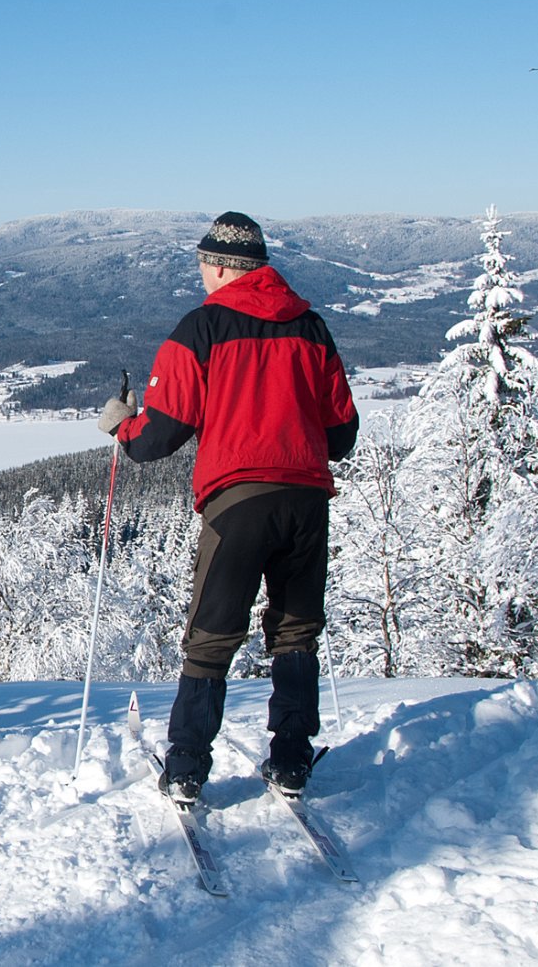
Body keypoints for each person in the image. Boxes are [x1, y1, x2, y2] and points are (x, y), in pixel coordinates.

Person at [98, 211, 358, 802]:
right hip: (306, 500)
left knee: (212, 635)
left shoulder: (202, 328)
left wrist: (122, 426)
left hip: (238, 501)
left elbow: (159, 435)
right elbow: (342, 433)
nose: (202, 275)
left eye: (202, 266)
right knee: (296, 631)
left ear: (217, 266)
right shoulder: (311, 327)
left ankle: (187, 766)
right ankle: (291, 759)